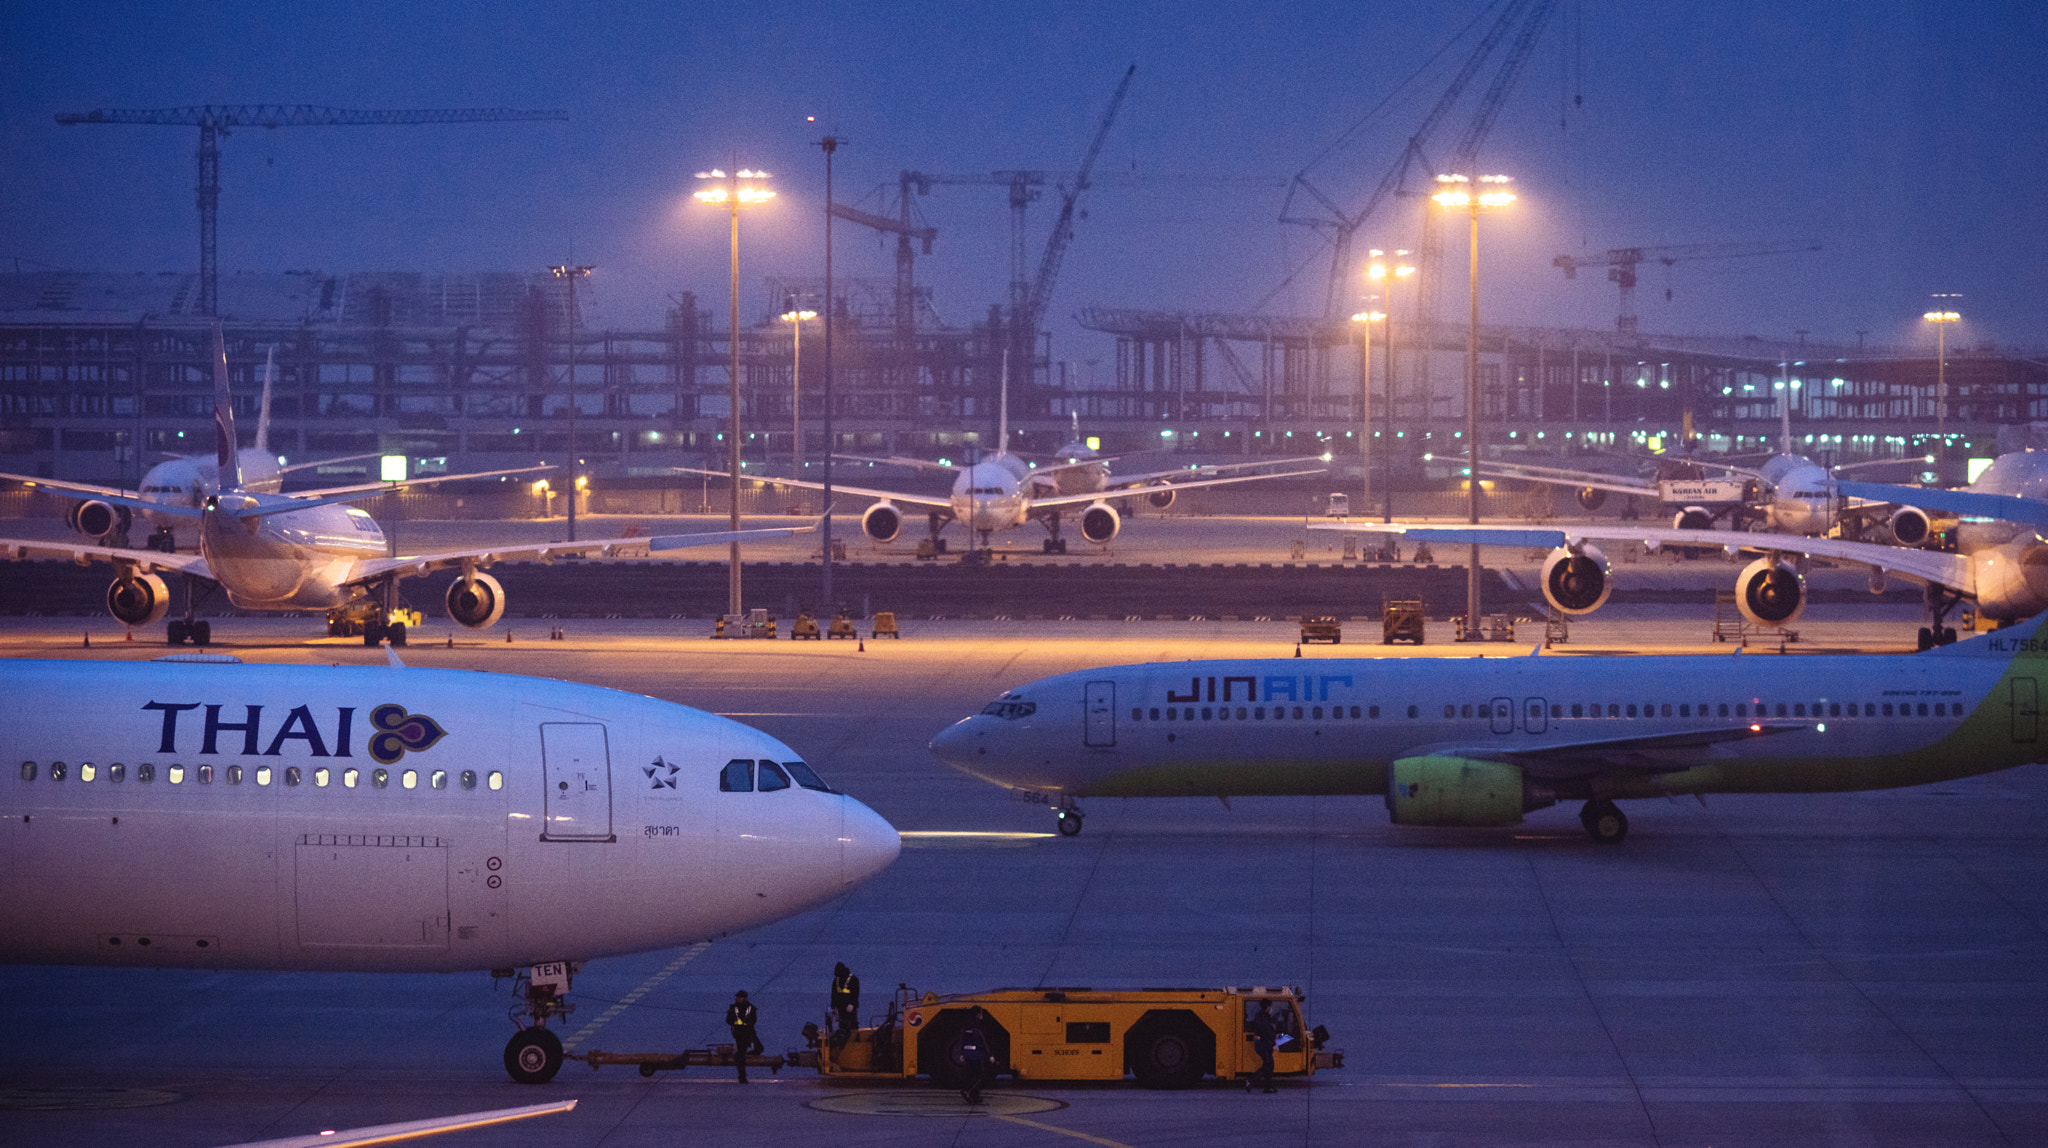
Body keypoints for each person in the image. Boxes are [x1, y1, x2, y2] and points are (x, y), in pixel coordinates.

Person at [957, 1007, 992, 1104]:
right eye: (981, 1013)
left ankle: (975, 1097)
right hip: (977, 1054)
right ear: (978, 1014)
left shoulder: (966, 1026)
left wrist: (961, 1053)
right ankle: (968, 1090)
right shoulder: (979, 1027)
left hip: (967, 1054)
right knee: (980, 1075)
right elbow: (984, 1042)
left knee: (971, 1074)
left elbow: (962, 1040)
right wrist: (990, 1055)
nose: (982, 1015)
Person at [726, 989, 762, 1083]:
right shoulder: (733, 1008)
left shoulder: (751, 1008)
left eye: (739, 997)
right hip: (740, 1034)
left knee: (759, 1048)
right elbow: (728, 1020)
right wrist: (735, 1021)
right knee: (740, 1055)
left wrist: (745, 1022)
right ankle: (742, 1077)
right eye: (736, 997)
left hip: (749, 1032)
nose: (737, 999)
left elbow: (753, 1020)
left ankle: (747, 1054)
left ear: (744, 998)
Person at [1247, 999, 1277, 1094]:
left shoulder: (1263, 1017)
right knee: (1268, 1065)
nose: (1271, 1008)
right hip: (1263, 1045)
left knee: (1268, 1065)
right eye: (1270, 1006)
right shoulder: (1262, 1018)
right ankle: (1250, 1080)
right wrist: (1274, 1040)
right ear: (1267, 1007)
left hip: (1265, 1044)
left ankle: (1268, 1087)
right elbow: (1266, 1033)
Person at [830, 962, 861, 1048]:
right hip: (840, 1007)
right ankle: (842, 1042)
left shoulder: (853, 979)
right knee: (842, 1024)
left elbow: (855, 993)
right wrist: (833, 1007)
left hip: (850, 1007)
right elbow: (833, 994)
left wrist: (852, 1004)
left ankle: (854, 1042)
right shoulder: (836, 980)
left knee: (852, 1024)